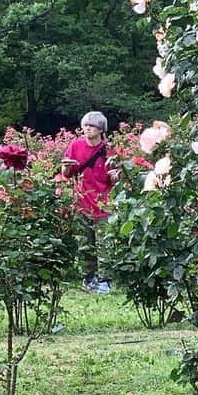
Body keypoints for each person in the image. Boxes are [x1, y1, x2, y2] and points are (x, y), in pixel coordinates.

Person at [61, 111, 120, 293]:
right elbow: (66, 174)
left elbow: (115, 181)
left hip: (103, 202)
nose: (87, 128)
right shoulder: (76, 146)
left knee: (104, 244)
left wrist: (116, 177)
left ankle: (105, 280)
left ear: (101, 129)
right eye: (85, 125)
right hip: (82, 201)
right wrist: (66, 167)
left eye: (92, 126)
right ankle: (88, 278)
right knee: (85, 243)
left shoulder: (108, 151)